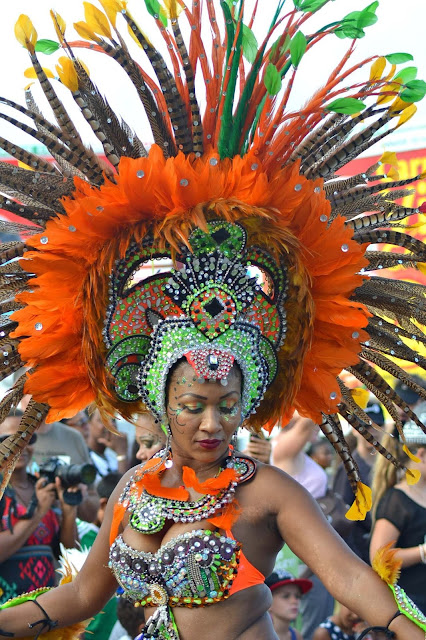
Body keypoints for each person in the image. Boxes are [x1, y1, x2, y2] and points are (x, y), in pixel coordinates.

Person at [1, 2, 426, 640]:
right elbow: (85, 596)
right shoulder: (133, 486)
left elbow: (346, 575)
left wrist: (404, 624)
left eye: (228, 404)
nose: (212, 421)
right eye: (195, 402)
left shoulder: (268, 492)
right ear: (160, 398)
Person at [0, 413, 78, 604]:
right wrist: (39, 512)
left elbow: (68, 551)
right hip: (6, 610)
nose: (22, 446)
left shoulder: (42, 487)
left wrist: (69, 510)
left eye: (28, 438)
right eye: (11, 439)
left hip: (45, 608)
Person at [370, 420, 426, 614]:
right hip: (413, 604)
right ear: (422, 455)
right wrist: (422, 552)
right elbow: (379, 558)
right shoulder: (396, 500)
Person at [333, 402, 385, 564]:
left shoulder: (387, 465)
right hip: (360, 554)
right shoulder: (348, 468)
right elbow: (341, 519)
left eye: (377, 426)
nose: (372, 433)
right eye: (365, 427)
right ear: (354, 430)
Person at [266, 570, 312, 640]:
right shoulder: (258, 635)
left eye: (297, 596)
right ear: (268, 602)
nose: (294, 601)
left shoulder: (297, 636)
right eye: (286, 596)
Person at [86, 409, 129, 480]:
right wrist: (121, 454)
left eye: (113, 420)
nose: (111, 425)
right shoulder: (84, 458)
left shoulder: (111, 458)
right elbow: (121, 489)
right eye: (103, 420)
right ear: (88, 424)